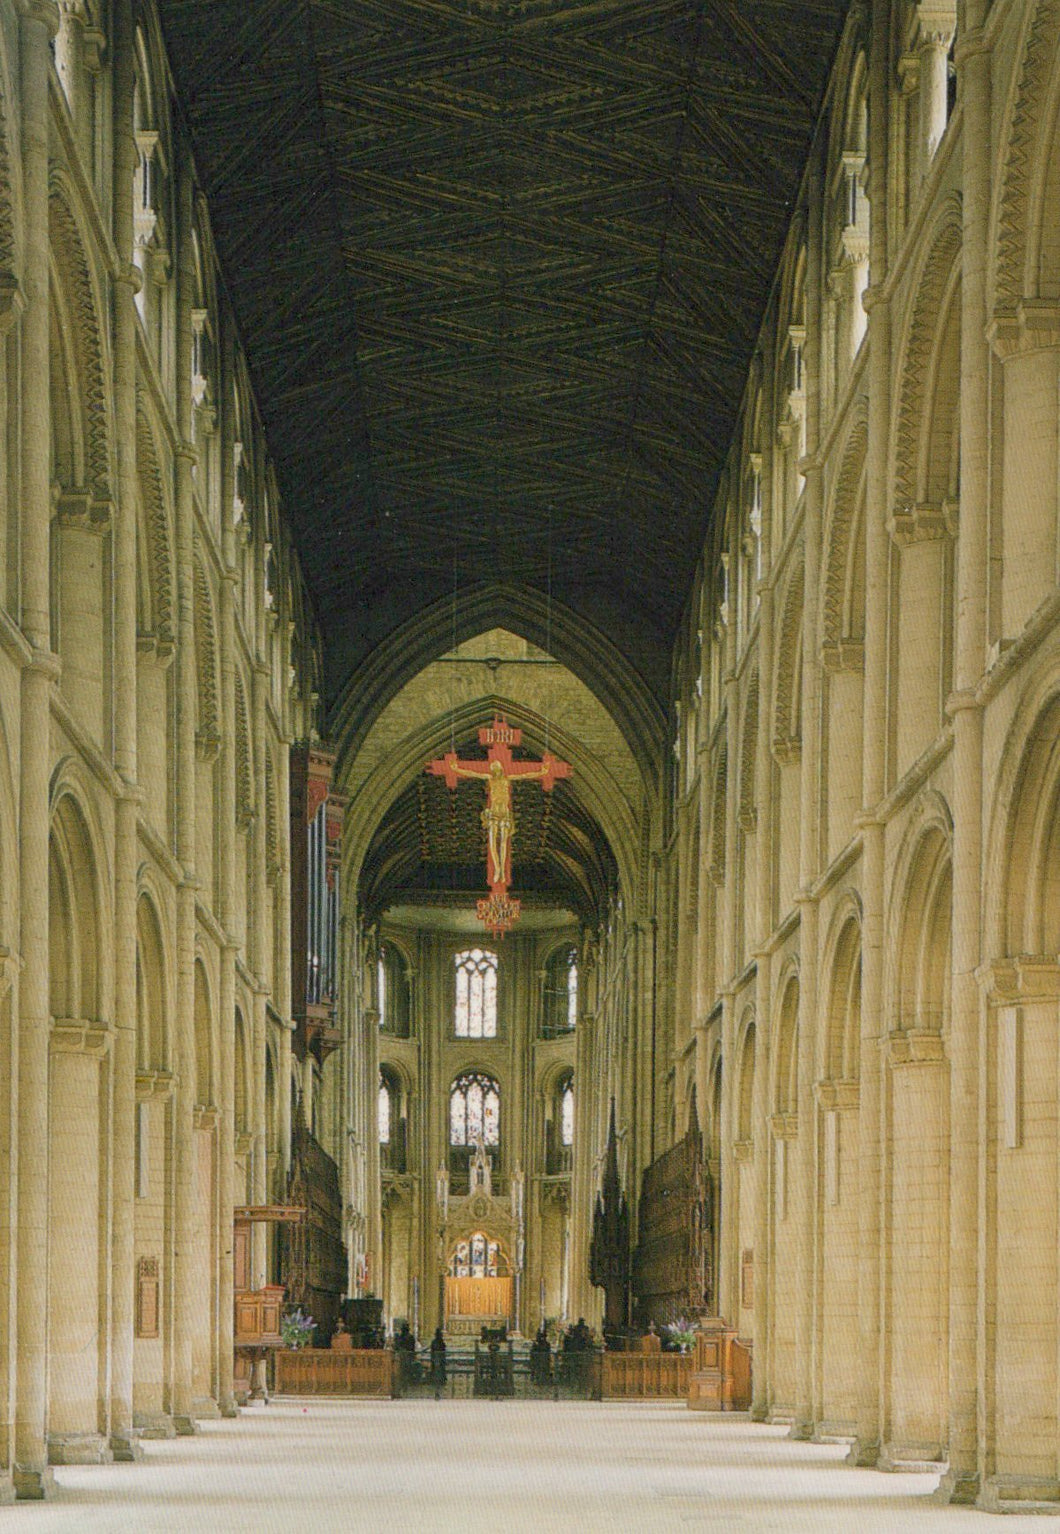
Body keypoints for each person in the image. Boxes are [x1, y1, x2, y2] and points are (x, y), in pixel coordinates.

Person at [429, 1326, 447, 1397]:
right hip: (437, 1358)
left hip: (438, 1358)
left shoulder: (438, 1342)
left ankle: (439, 1381)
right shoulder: (437, 1342)